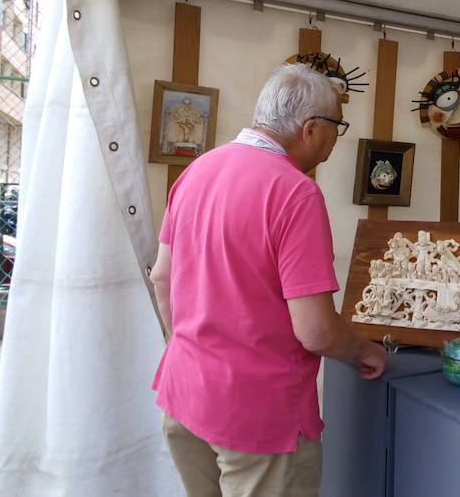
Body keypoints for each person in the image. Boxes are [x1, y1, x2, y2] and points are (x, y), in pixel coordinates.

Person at [150, 63, 388, 497]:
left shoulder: (198, 169)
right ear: (311, 129)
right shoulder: (295, 192)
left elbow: (162, 278)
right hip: (259, 416)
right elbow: (316, 331)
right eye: (338, 126)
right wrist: (366, 349)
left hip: (185, 391)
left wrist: (191, 350)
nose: (337, 139)